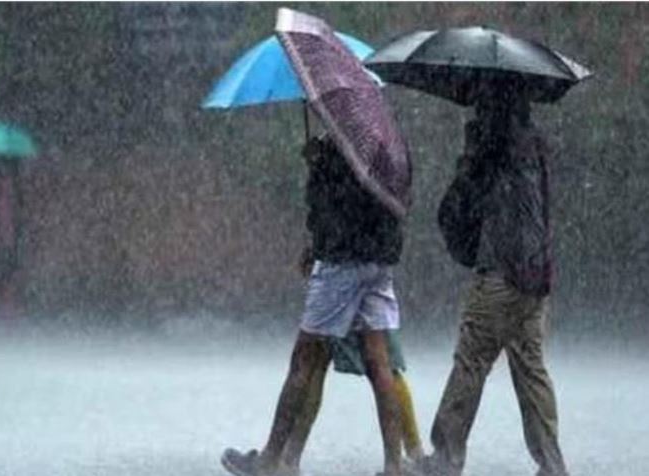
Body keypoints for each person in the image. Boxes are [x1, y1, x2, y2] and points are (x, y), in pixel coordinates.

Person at [222, 133, 408, 476]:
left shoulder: (341, 145)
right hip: (380, 260)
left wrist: (319, 167)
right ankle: (394, 466)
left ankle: (271, 460)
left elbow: (331, 209)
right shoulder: (387, 142)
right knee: (379, 363)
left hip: (342, 263)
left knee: (304, 360)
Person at [418, 87, 570, 476]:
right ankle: (552, 464)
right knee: (530, 369)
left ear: (491, 107)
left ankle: (445, 458)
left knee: (471, 359)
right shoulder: (535, 145)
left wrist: (471, 148)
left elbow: (458, 202)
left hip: (501, 271)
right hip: (536, 275)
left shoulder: (494, 144)